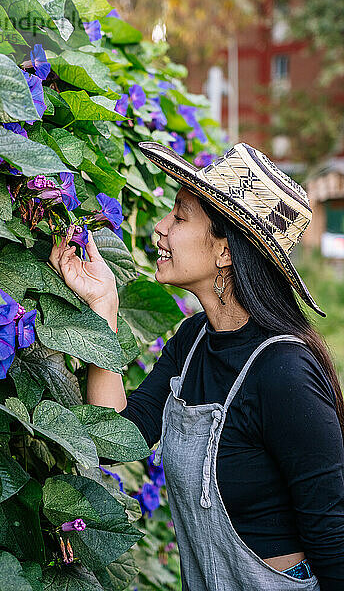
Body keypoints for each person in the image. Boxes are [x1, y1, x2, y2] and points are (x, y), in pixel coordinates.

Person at [50, 141, 344, 591]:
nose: (159, 228)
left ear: (225, 252)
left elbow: (334, 534)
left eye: (180, 216)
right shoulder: (192, 342)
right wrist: (102, 308)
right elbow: (114, 439)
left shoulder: (284, 371)